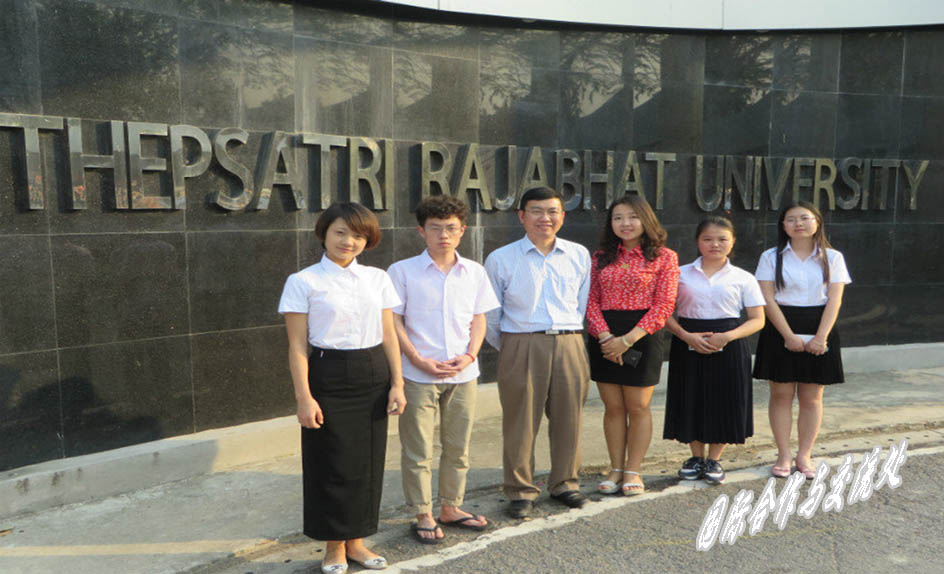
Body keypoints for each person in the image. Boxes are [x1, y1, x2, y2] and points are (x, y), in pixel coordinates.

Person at [279, 202, 406, 574]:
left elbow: (389, 335)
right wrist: (304, 397)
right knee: (330, 463)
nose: (349, 241)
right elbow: (297, 346)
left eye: (358, 236)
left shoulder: (377, 279)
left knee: (367, 463)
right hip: (328, 375)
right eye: (341, 232)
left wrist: (398, 384)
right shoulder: (303, 281)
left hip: (373, 374)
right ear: (324, 233)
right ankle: (334, 546)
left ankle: (358, 542)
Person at [387, 195, 500, 544]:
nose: (444, 235)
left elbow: (479, 318)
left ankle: (451, 506)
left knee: (458, 446)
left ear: (463, 230)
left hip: (464, 374)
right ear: (421, 231)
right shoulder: (402, 271)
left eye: (451, 228)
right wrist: (417, 359)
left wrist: (470, 355)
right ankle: (423, 512)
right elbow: (393, 321)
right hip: (418, 374)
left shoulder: (474, 272)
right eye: (435, 228)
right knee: (418, 449)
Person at [484, 186, 592, 518]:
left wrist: (569, 335)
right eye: (537, 211)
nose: (545, 218)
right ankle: (520, 490)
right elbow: (491, 314)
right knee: (520, 422)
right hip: (521, 342)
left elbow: (581, 303)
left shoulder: (578, 254)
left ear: (562, 216)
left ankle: (565, 483)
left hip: (569, 341)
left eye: (552, 211)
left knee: (569, 419)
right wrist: (513, 346)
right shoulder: (501, 258)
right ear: (522, 216)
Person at [586, 194, 679, 496]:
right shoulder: (600, 257)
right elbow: (590, 300)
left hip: (642, 335)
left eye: (632, 217)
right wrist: (605, 337)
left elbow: (664, 305)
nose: (625, 223)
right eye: (618, 218)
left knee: (638, 406)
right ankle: (615, 468)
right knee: (613, 407)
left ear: (646, 219)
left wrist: (627, 341)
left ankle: (633, 470)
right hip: (604, 336)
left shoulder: (664, 257)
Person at [663, 216, 766, 485]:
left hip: (729, 343)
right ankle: (696, 457)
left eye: (722, 239)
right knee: (690, 397)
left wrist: (727, 337)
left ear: (733, 242)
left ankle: (714, 459)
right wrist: (685, 335)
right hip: (688, 340)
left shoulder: (743, 278)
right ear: (697, 241)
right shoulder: (679, 273)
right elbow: (663, 313)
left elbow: (758, 319)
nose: (715, 244)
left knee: (724, 400)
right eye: (707, 239)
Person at [753, 200, 851, 480]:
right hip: (780, 325)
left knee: (812, 397)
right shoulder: (770, 257)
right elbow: (767, 299)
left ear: (817, 222)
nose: (798, 224)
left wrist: (821, 337)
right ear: (783, 226)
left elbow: (834, 300)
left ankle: (804, 454)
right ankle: (783, 454)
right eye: (791, 219)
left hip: (820, 324)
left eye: (805, 218)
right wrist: (787, 335)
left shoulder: (833, 258)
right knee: (781, 395)